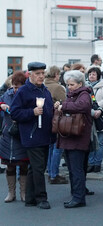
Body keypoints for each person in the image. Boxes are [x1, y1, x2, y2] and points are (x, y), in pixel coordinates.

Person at [10, 62, 54, 209]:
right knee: (39, 167)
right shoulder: (23, 91)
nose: (41, 76)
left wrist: (55, 108)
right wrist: (32, 112)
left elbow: (47, 110)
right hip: (32, 135)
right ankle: (41, 198)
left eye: (43, 73)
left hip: (45, 134)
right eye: (38, 73)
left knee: (34, 168)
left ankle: (30, 198)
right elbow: (14, 113)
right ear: (30, 74)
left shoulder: (44, 90)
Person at [54, 70, 92, 208]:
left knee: (76, 169)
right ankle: (76, 194)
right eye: (67, 84)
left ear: (80, 83)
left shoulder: (84, 94)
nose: (69, 87)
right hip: (70, 137)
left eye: (72, 84)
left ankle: (78, 197)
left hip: (78, 137)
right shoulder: (72, 94)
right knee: (72, 169)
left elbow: (83, 106)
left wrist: (63, 106)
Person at [0, 71, 29, 202]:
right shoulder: (7, 94)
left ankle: (23, 192)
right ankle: (11, 193)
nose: (16, 89)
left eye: (19, 86)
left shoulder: (27, 95)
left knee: (23, 165)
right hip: (8, 134)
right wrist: (2, 105)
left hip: (22, 133)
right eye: (14, 86)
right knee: (10, 165)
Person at [45, 66, 68, 185]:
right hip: (56, 120)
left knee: (50, 148)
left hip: (46, 120)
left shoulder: (44, 85)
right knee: (57, 148)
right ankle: (54, 174)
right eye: (59, 74)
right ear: (55, 75)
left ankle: (50, 171)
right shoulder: (57, 87)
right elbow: (65, 103)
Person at [86, 66, 103, 173]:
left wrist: (97, 107)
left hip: (100, 116)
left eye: (94, 74)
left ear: (98, 75)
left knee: (99, 142)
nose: (91, 76)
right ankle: (90, 163)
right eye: (90, 74)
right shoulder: (85, 85)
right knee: (90, 141)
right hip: (89, 116)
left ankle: (97, 163)